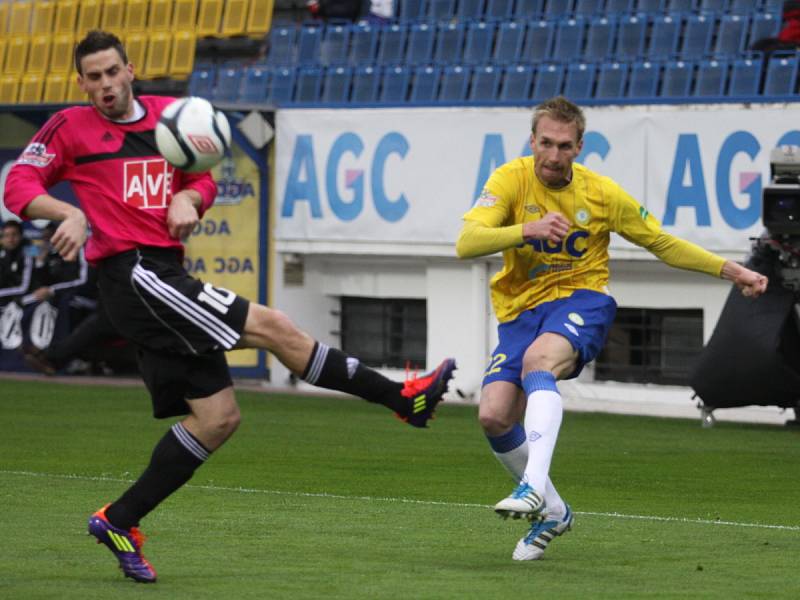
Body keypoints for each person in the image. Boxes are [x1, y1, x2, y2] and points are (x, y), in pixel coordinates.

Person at [4, 30, 455, 584]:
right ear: (82, 83)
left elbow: (200, 176)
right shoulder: (70, 127)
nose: (104, 85)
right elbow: (20, 183)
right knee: (273, 325)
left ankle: (118, 520)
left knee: (218, 419)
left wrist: (190, 198)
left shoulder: (174, 116)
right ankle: (402, 399)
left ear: (130, 69)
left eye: (112, 72)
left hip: (163, 273)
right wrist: (64, 212)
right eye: (93, 77)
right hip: (134, 273)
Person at [455, 96, 768, 562]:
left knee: (540, 362)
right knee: (494, 415)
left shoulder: (601, 194)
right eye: (545, 143)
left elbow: (661, 242)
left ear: (580, 146)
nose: (553, 155)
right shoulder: (509, 179)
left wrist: (733, 271)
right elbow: (467, 243)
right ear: (532, 141)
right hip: (520, 313)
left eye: (564, 146)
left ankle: (533, 485)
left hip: (583, 300)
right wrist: (528, 230)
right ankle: (555, 513)